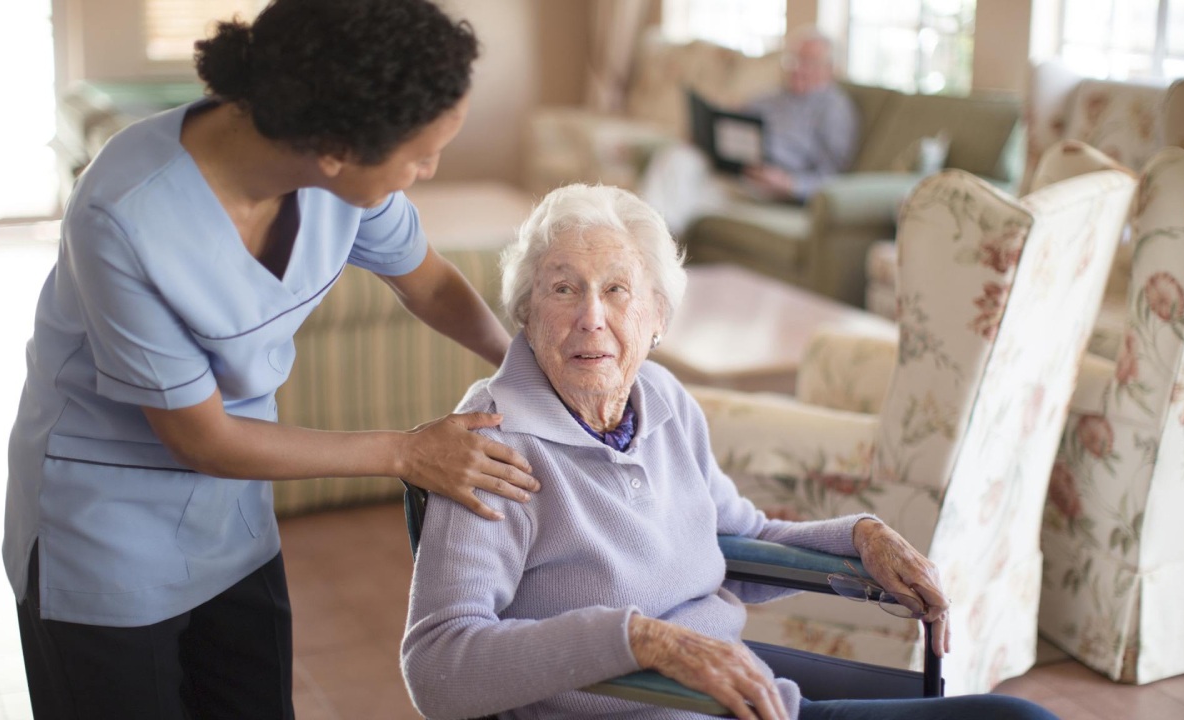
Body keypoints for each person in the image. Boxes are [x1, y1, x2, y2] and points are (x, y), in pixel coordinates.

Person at [2, 1, 539, 717]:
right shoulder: (127, 215)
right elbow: (201, 436)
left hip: (234, 512)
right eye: (418, 155)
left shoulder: (339, 182)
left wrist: (527, 367)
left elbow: (430, 282)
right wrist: (408, 453)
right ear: (334, 150)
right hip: (106, 528)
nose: (428, 170)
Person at [401, 184, 1056, 720]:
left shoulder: (662, 401)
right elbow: (438, 666)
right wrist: (641, 640)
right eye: (563, 288)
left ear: (658, 316)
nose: (591, 317)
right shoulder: (489, 444)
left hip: (740, 687)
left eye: (617, 290)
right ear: (526, 312)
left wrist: (858, 537)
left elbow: (734, 543)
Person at [638, 27, 861, 235]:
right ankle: (643, 242)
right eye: (793, 60)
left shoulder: (835, 109)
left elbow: (833, 177)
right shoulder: (772, 98)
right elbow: (731, 120)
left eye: (808, 62)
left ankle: (644, 248)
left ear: (830, 68)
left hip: (771, 188)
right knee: (677, 157)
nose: (797, 68)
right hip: (734, 171)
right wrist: (705, 134)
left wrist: (789, 184)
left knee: (683, 197)